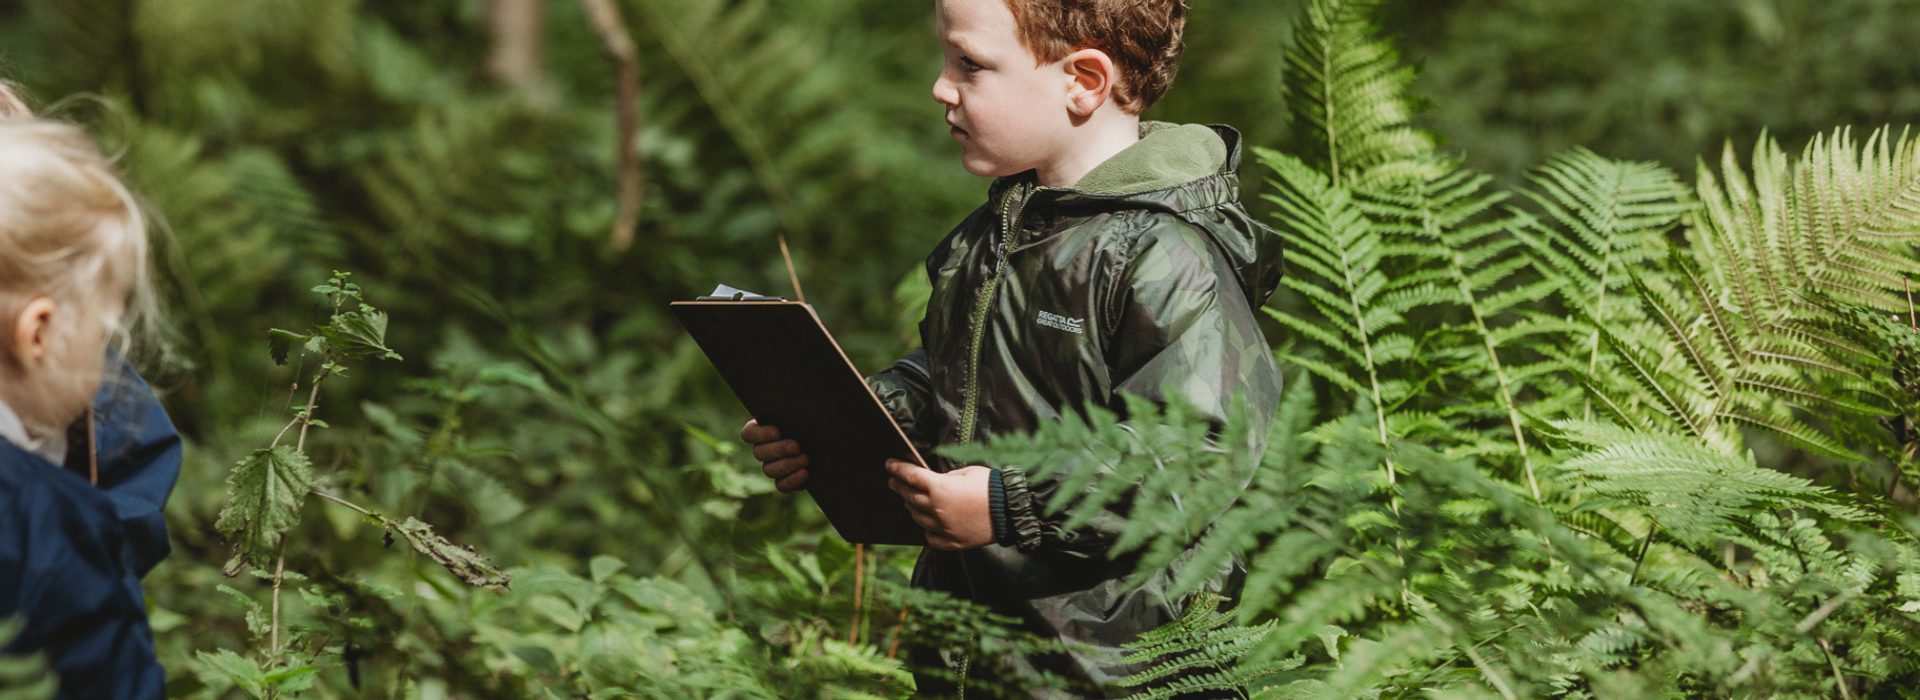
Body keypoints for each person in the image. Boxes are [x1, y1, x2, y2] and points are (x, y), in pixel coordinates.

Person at [742, 0, 1283, 695]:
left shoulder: (1166, 255)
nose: (941, 86)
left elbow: (1195, 453)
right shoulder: (996, 232)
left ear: (1083, 80)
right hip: (979, 649)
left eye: (970, 64)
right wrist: (856, 414)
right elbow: (961, 375)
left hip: (1118, 666)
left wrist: (1006, 504)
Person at [0, 82, 183, 700]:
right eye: (106, 329)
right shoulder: (50, 532)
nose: (111, 358)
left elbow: (136, 482)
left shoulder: (107, 413)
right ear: (40, 331)